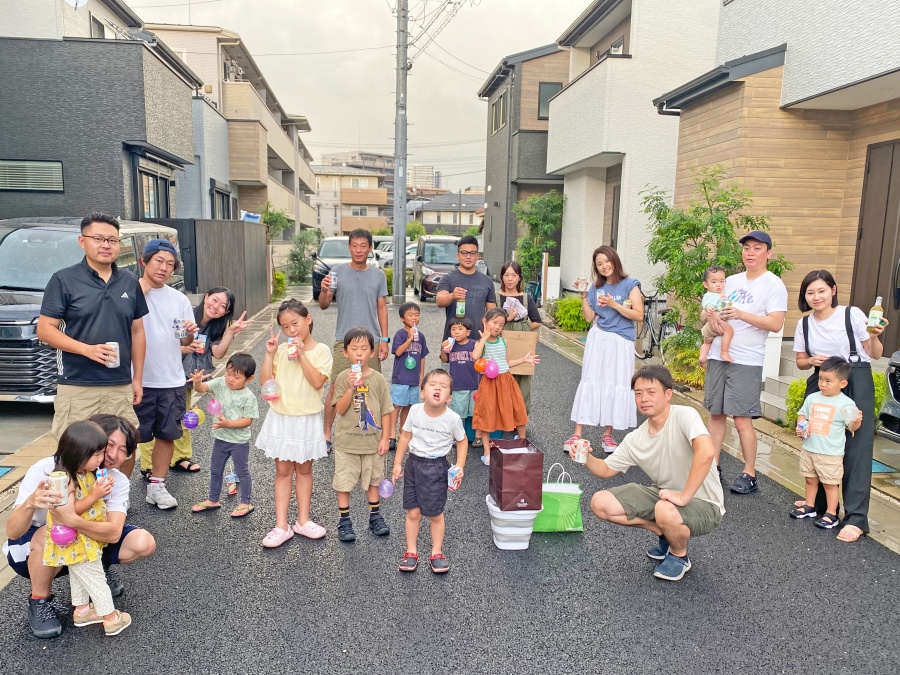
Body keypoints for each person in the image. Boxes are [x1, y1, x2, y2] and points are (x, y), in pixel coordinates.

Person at [4, 414, 156, 639]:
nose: (112, 455)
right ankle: (41, 600)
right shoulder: (50, 471)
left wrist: (72, 520)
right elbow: (13, 532)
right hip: (35, 544)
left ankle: (91, 586)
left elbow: (114, 533)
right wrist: (30, 503)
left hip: (83, 537)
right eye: (108, 446)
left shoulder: (113, 479)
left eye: (123, 450)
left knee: (142, 542)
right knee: (50, 534)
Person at [572, 365, 725, 582]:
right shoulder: (637, 438)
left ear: (668, 394)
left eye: (651, 392)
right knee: (600, 503)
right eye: (638, 393)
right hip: (665, 496)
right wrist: (586, 457)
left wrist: (684, 496)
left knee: (664, 509)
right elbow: (605, 469)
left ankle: (679, 555)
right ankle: (664, 532)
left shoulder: (685, 416)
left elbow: (707, 452)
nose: (644, 398)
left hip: (705, 503)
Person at [36, 213, 147, 474]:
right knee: (76, 452)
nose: (106, 245)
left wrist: (137, 378)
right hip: (77, 384)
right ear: (82, 241)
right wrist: (86, 349)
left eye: (112, 240)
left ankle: (118, 496)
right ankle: (77, 500)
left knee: (125, 448)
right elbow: (45, 330)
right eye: (98, 238)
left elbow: (138, 331)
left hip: (119, 384)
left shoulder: (129, 281)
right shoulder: (64, 280)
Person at [793, 269, 887, 542]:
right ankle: (822, 506)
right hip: (821, 382)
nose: (816, 297)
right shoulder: (805, 323)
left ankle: (856, 518)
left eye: (822, 290)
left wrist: (875, 336)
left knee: (856, 448)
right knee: (818, 440)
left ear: (833, 290)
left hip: (854, 380)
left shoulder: (852, 314)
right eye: (810, 292)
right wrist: (811, 361)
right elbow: (800, 360)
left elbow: (875, 353)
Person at [703, 231, 787, 494]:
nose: (750, 252)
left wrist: (741, 314)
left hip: (746, 360)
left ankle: (749, 473)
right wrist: (709, 316)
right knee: (716, 414)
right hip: (718, 354)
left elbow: (775, 323)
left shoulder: (773, 284)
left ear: (768, 253)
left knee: (741, 420)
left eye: (757, 248)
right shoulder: (731, 281)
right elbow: (708, 309)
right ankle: (713, 468)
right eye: (747, 248)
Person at [140, 287, 252, 479]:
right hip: (162, 374)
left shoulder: (215, 327)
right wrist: (182, 349)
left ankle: (179, 458)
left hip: (187, 377)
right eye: (214, 300)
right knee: (153, 419)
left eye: (223, 306)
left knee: (182, 417)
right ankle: (148, 465)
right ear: (206, 297)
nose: (216, 307)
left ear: (225, 312)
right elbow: (160, 341)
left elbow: (218, 353)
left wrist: (230, 332)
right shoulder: (185, 313)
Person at [42, 421, 132, 636]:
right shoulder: (67, 480)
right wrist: (95, 495)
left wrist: (101, 489)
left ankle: (82, 611)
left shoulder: (83, 473)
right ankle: (111, 619)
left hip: (78, 538)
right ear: (78, 453)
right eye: (96, 454)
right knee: (95, 578)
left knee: (78, 572)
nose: (101, 459)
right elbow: (70, 511)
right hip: (78, 539)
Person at [256, 300, 332, 548]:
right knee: (282, 471)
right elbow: (266, 384)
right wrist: (269, 354)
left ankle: (303, 520)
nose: (291, 330)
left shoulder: (321, 351)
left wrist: (302, 355)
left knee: (305, 470)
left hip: (306, 418)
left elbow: (317, 382)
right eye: (285, 327)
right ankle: (281, 525)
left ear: (308, 319)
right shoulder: (280, 350)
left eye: (295, 323)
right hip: (282, 416)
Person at [134, 239, 198, 510]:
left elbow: (184, 341)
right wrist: (138, 291)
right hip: (138, 380)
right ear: (144, 261)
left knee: (167, 435)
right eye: (159, 261)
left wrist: (190, 333)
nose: (164, 268)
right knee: (128, 439)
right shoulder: (129, 293)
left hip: (171, 378)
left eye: (170, 264)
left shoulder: (178, 299)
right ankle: (118, 495)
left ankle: (157, 486)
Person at [568, 245, 643, 454]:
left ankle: (608, 435)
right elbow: (589, 317)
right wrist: (584, 295)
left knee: (616, 382)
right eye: (599, 264)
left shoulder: (630, 284)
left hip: (621, 341)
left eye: (607, 261)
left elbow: (639, 315)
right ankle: (577, 433)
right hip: (599, 338)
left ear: (614, 260)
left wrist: (614, 305)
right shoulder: (595, 288)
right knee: (590, 380)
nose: (604, 266)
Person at [319, 229, 390, 450]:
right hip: (344, 340)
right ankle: (326, 433)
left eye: (363, 246)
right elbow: (324, 304)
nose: (359, 250)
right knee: (336, 387)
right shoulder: (337, 272)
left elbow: (382, 308)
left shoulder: (378, 275)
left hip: (371, 341)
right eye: (354, 245)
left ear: (370, 248)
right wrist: (323, 290)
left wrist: (384, 339)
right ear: (349, 247)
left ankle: (374, 432)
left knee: (372, 387)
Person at [392, 369, 468, 574]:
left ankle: (436, 552)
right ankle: (411, 551)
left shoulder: (452, 418)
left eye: (443, 386)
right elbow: (405, 436)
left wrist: (460, 465)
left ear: (449, 398)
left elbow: (462, 441)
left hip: (437, 467)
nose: (438, 388)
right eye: (433, 384)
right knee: (413, 512)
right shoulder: (415, 411)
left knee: (435, 514)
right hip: (413, 464)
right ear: (422, 392)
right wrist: (397, 463)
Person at [331, 328, 393, 543]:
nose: (359, 353)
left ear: (372, 353)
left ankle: (375, 516)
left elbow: (386, 410)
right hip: (347, 443)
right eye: (354, 349)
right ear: (345, 352)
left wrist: (386, 438)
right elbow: (339, 409)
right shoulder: (342, 378)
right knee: (343, 482)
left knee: (374, 480)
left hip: (372, 443)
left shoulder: (378, 379)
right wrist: (350, 389)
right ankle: (344, 521)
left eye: (364, 348)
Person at [792, 357, 862, 529]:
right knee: (810, 479)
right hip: (809, 448)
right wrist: (801, 425)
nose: (822, 384)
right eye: (821, 379)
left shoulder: (846, 403)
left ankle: (831, 514)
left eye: (828, 381)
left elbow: (852, 427)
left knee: (830, 484)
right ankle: (810, 505)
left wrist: (856, 420)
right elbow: (802, 414)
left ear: (843, 383)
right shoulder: (812, 398)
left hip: (830, 453)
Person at [189, 353, 259, 518]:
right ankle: (213, 499)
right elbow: (201, 388)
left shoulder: (249, 397)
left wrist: (228, 423)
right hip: (220, 439)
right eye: (228, 374)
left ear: (249, 379)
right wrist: (197, 382)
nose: (230, 379)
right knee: (215, 470)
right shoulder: (220, 383)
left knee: (242, 471)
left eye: (236, 377)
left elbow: (247, 420)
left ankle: (245, 502)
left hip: (239, 442)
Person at [472, 308, 539, 465]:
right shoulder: (480, 343)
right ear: (485, 321)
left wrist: (523, 360)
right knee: (487, 415)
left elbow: (506, 362)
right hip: (489, 383)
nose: (497, 327)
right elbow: (475, 356)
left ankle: (522, 442)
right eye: (494, 322)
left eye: (501, 325)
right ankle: (487, 453)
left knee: (518, 409)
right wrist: (484, 338)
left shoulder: (503, 341)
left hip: (506, 380)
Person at [497, 261, 542, 412]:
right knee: (501, 377)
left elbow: (537, 321)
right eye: (506, 275)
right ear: (502, 277)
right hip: (501, 343)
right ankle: (502, 416)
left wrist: (521, 328)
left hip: (521, 343)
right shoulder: (496, 297)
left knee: (522, 380)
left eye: (514, 275)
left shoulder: (526, 298)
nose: (510, 279)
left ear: (519, 278)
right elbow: (490, 321)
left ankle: (520, 417)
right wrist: (508, 320)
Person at [436, 235, 496, 340]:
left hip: (479, 340)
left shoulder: (487, 281)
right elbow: (439, 301)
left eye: (472, 253)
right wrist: (452, 296)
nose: (468, 257)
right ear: (458, 255)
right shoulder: (448, 278)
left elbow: (492, 313)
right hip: (454, 340)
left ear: (477, 256)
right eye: (464, 253)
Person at [390, 302, 429, 451]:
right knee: (396, 405)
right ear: (402, 318)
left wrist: (421, 375)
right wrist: (409, 339)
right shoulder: (400, 334)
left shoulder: (421, 337)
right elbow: (398, 352)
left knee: (409, 406)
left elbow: (422, 356)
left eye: (417, 315)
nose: (414, 318)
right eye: (410, 315)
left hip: (413, 378)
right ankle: (391, 435)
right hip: (401, 378)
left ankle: (403, 432)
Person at [440, 317, 480, 446]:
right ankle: (459, 437)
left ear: (468, 332)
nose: (456, 332)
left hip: (474, 385)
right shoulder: (450, 345)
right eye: (453, 329)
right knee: (458, 413)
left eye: (460, 329)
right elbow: (444, 359)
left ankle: (478, 436)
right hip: (458, 386)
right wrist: (443, 348)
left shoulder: (474, 344)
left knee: (477, 412)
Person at [698, 265, 734, 367]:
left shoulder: (718, 295)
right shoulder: (712, 295)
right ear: (705, 284)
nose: (718, 285)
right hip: (717, 323)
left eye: (722, 281)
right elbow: (708, 304)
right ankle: (724, 352)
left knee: (707, 343)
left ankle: (702, 357)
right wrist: (709, 307)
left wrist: (724, 299)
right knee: (729, 331)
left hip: (708, 328)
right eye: (714, 282)